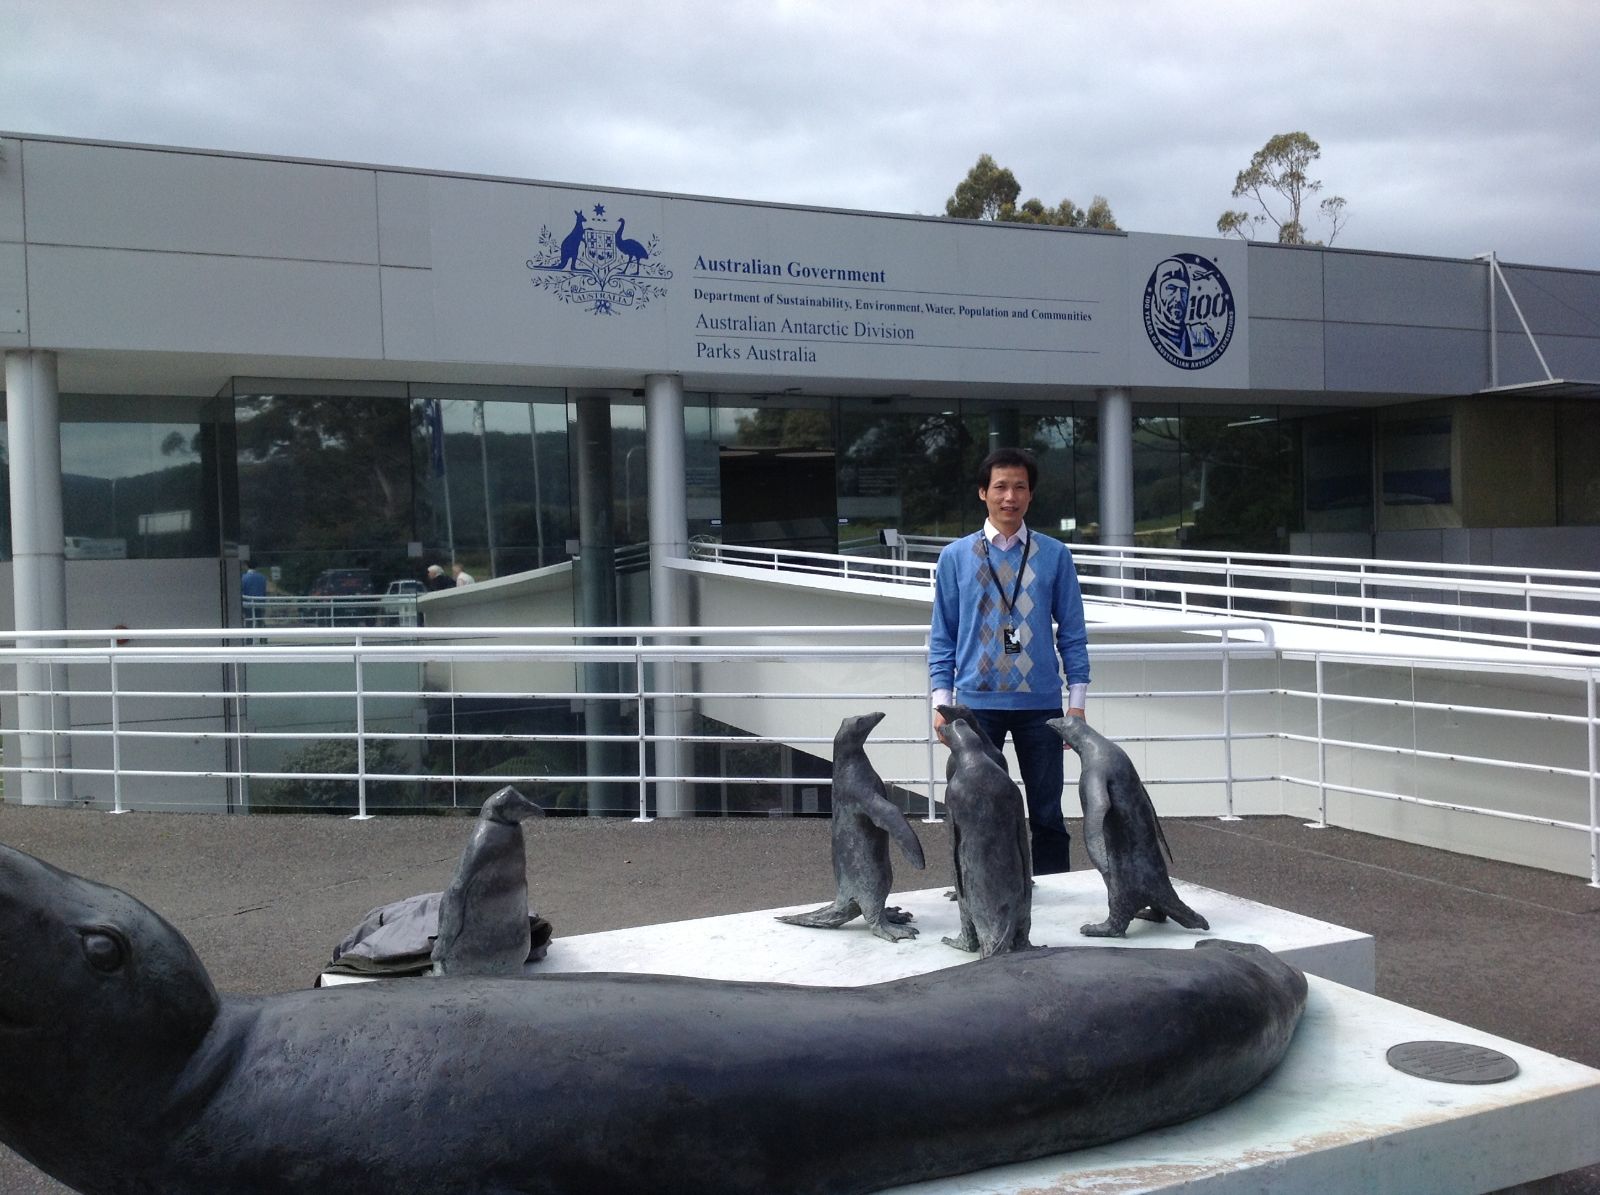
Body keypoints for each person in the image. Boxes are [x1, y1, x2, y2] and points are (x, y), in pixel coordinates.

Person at [929, 447, 1089, 875]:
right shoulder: (955, 557)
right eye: (1000, 487)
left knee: (1048, 814)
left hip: (1041, 706)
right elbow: (943, 636)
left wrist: (1076, 704)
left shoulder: (1055, 555)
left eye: (1020, 487)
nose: (1010, 496)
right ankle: (980, 895)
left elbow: (1073, 633)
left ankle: (1055, 895)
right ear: (983, 492)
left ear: (1031, 494)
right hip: (975, 708)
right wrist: (942, 704)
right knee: (975, 813)